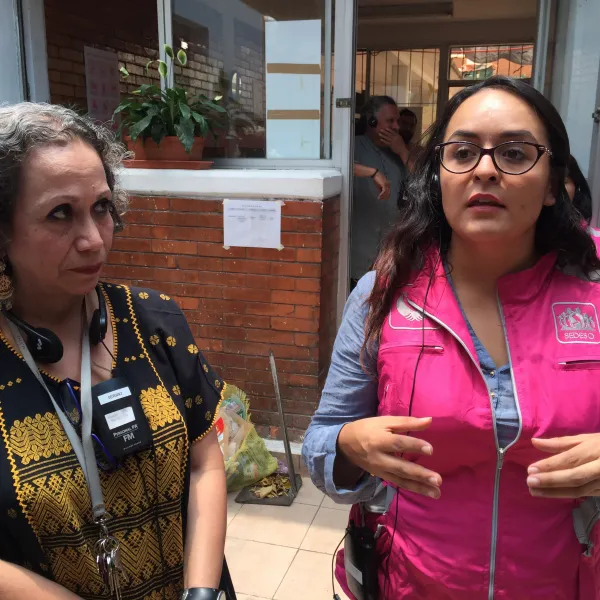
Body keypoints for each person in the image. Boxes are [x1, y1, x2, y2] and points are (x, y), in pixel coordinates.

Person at [303, 76, 600, 599]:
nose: (484, 169)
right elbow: (321, 443)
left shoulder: (593, 297)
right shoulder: (383, 296)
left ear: (554, 184)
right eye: (462, 153)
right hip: (410, 583)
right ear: (439, 177)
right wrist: (349, 445)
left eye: (514, 153)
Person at [0, 103, 233, 600]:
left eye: (101, 208)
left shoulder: (154, 320)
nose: (93, 240)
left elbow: (203, 462)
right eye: (60, 214)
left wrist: (201, 592)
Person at [351, 96, 408, 287]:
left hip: (389, 254)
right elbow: (338, 166)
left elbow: (420, 180)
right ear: (372, 121)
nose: (396, 127)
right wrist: (372, 172)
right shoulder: (353, 146)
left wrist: (403, 152)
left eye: (397, 121)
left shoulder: (397, 153)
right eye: (390, 121)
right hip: (359, 253)